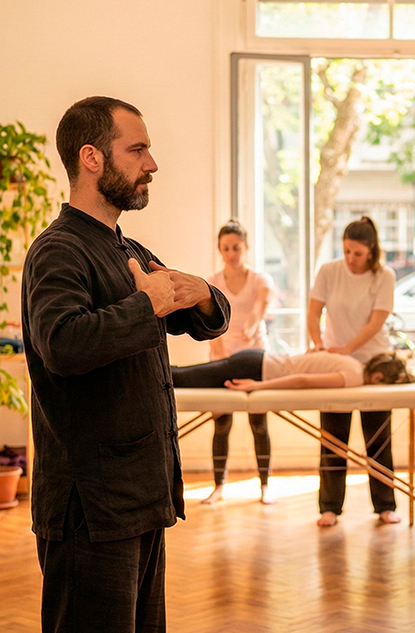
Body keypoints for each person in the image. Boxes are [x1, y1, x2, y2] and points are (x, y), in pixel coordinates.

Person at [21, 96, 230, 632]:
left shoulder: (126, 248)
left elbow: (208, 318)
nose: (151, 165)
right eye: (136, 150)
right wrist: (152, 303)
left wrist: (202, 292)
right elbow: (62, 343)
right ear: (92, 158)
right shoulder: (58, 250)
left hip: (140, 498)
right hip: (90, 509)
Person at [307, 216, 400, 527]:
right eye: (346, 251)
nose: (351, 258)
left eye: (357, 253)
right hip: (336, 365)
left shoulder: (384, 276)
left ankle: (385, 505)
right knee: (333, 438)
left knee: (378, 438)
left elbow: (376, 323)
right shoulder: (329, 271)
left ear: (372, 251)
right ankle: (329, 507)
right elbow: (313, 310)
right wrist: (320, 345)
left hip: (374, 364)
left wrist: (348, 349)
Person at [202, 220, 277, 505]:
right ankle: (218, 486)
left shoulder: (260, 280)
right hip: (221, 359)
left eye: (236, 247)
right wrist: (221, 359)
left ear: (246, 247)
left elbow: (259, 309)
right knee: (221, 425)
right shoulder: (212, 283)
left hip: (255, 360)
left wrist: (252, 326)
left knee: (259, 423)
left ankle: (265, 485)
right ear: (220, 250)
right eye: (226, 248)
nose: (231, 253)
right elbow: (210, 326)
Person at [172, 349, 415, 391]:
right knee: (180, 378)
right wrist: (258, 386)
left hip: (257, 359)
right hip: (257, 369)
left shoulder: (352, 363)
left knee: (182, 374)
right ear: (379, 376)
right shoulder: (352, 376)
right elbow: (302, 380)